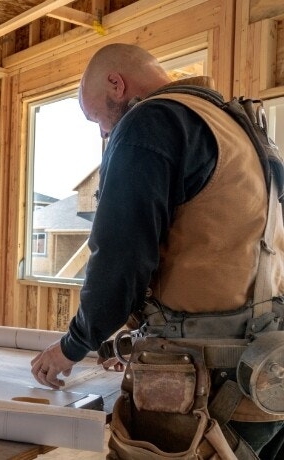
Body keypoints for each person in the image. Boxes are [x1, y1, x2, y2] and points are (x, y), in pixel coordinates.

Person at [29, 43, 284, 458]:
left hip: (206, 382)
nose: (104, 133)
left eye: (99, 119)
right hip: (265, 372)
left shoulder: (151, 120)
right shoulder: (235, 126)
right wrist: (134, 338)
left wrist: (74, 345)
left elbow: (119, 257)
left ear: (116, 83)